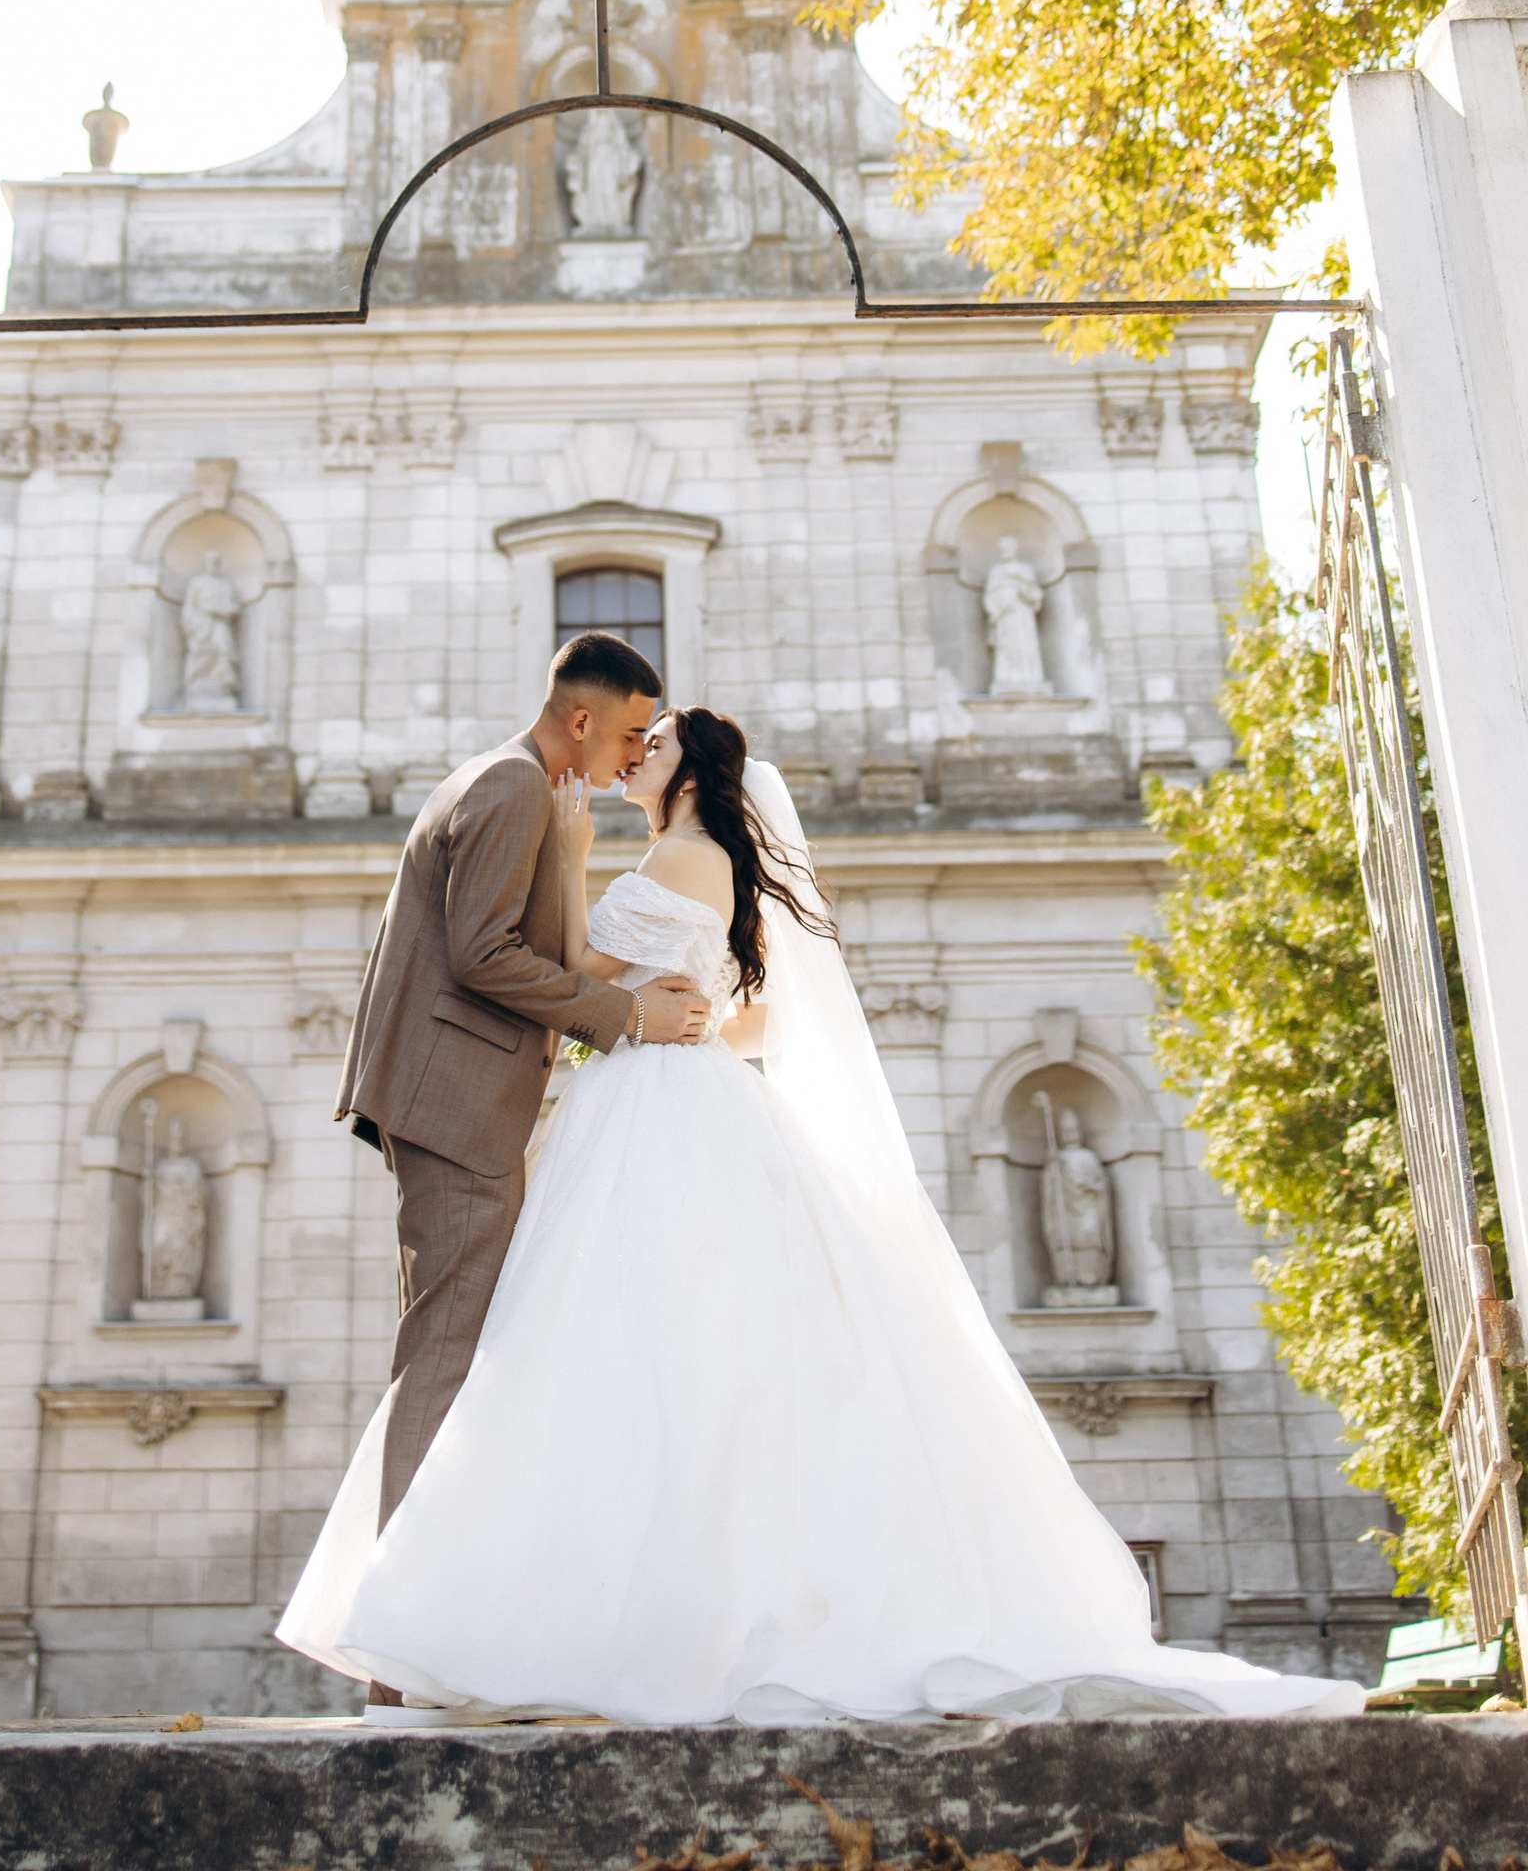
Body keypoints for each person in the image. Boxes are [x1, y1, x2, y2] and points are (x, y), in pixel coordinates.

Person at [283, 706, 1364, 1727]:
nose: (637, 751)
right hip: (677, 1092)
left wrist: (568, 856)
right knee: (669, 1356)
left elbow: (572, 972)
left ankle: (584, 1628)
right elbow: (743, 1015)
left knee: (614, 1348)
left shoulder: (679, 857)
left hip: (654, 1112)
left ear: (694, 774)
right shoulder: (710, 866)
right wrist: (681, 1021)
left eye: (657, 742)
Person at [328, 634, 712, 1712]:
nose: (634, 753)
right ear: (583, 720)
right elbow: (484, 953)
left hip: (453, 1100)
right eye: (630, 733)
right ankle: (401, 1651)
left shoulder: (515, 784)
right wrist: (627, 1015)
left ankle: (423, 1637)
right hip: (456, 1107)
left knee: (450, 1353)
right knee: (445, 1359)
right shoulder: (509, 788)